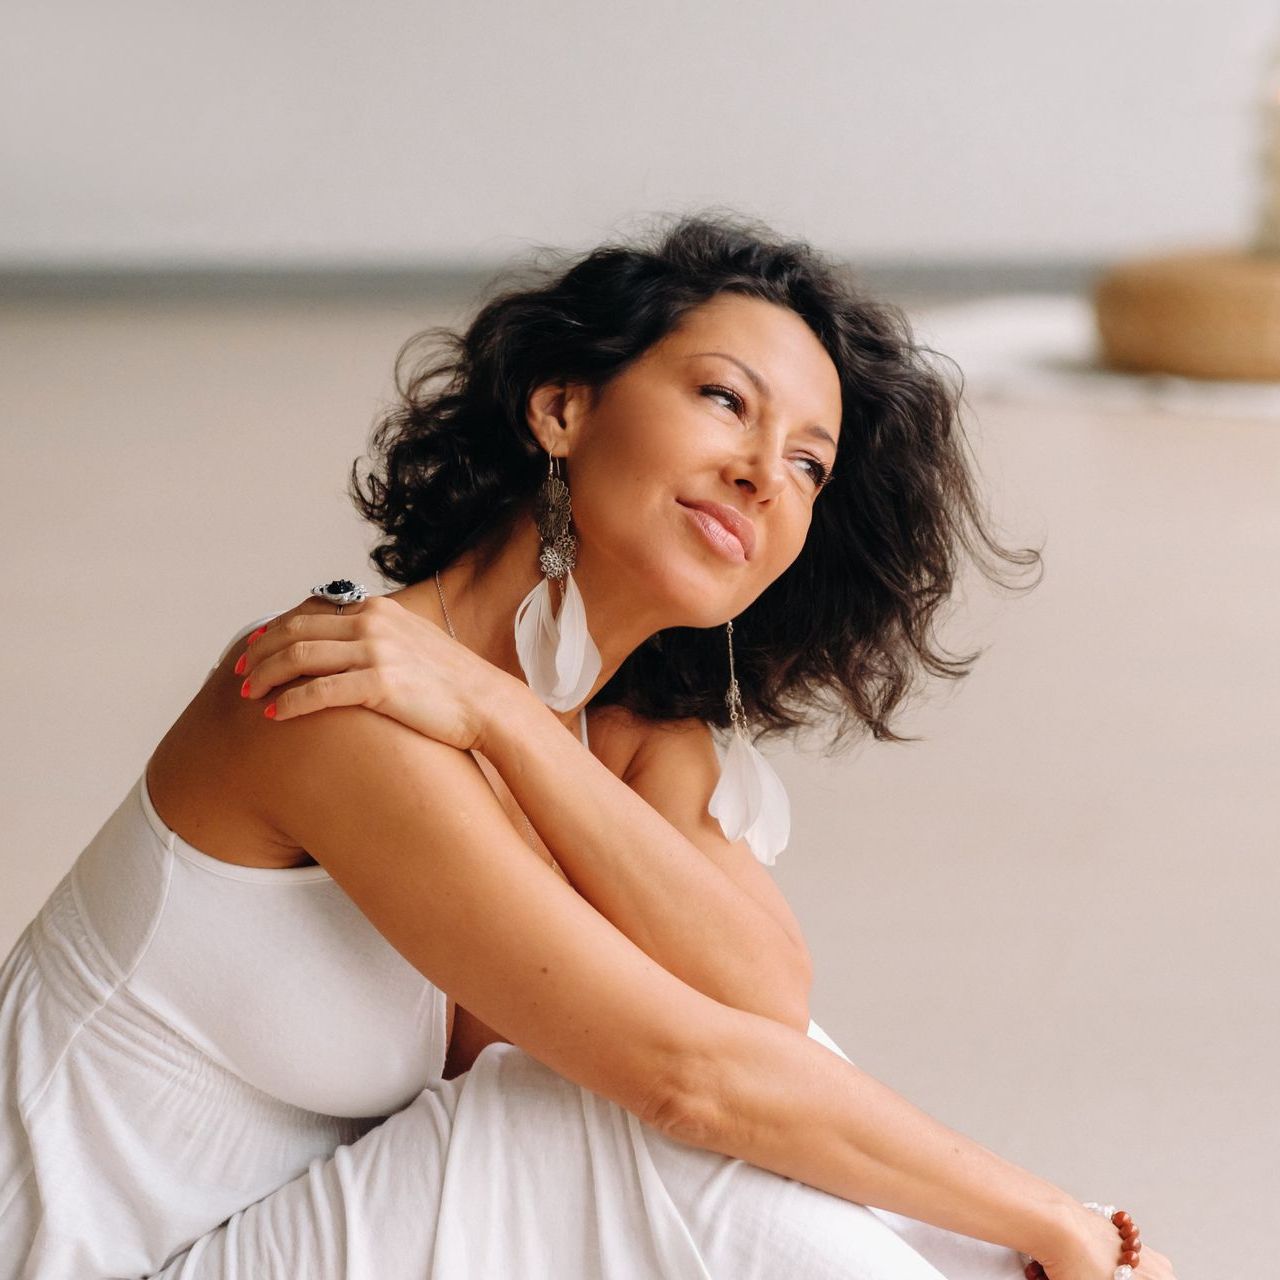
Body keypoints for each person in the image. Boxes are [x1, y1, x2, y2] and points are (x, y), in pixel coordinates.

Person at [0, 213, 1178, 1279]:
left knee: (640, 1112)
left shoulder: (608, 740)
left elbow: (762, 1001)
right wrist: (1041, 1215)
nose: (764, 472)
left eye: (809, 462)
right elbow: (690, 1075)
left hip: (252, 1243)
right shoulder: (339, 686)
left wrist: (516, 722)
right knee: (581, 1113)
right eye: (724, 399)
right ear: (562, 407)